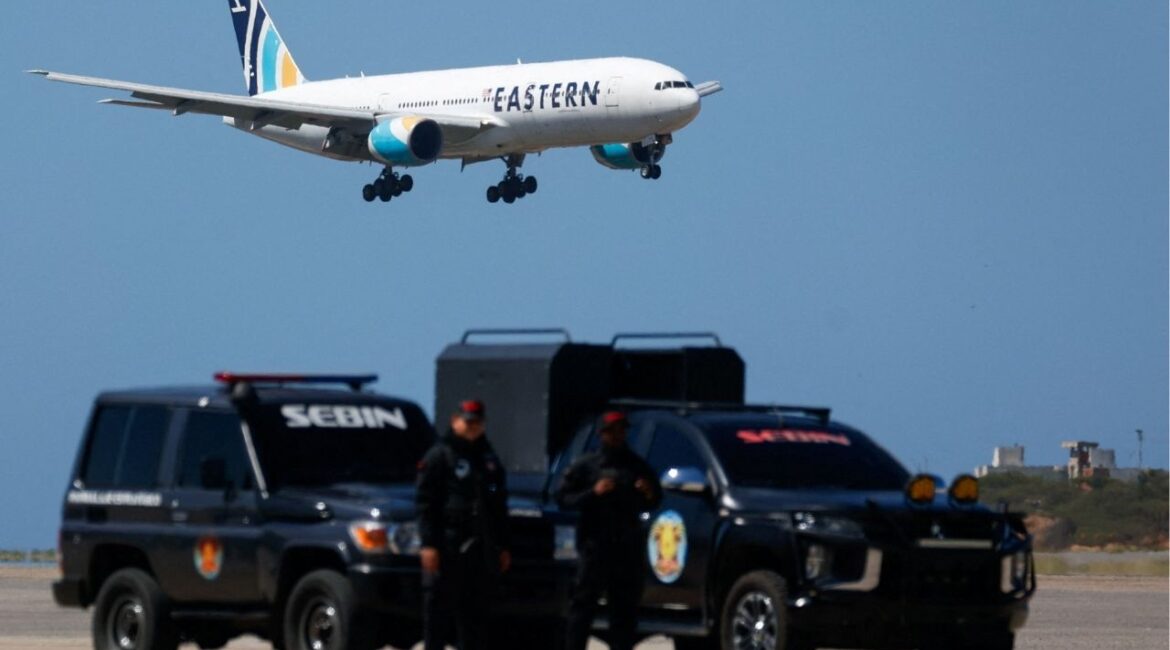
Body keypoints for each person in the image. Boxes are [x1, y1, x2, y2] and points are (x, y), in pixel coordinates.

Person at [556, 410, 662, 650]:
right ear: (602, 434)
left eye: (622, 430)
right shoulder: (586, 465)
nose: (618, 435)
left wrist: (647, 491)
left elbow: (655, 499)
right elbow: (562, 498)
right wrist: (593, 493)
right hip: (595, 547)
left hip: (626, 549)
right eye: (613, 431)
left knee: (624, 612)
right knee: (582, 608)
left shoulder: (636, 465)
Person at [416, 399, 512, 650]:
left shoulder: (488, 457)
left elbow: (499, 505)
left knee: (475, 614)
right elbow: (426, 502)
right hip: (447, 543)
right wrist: (428, 544)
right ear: (455, 421)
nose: (472, 427)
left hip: (479, 546)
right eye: (467, 422)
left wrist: (502, 545)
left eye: (477, 422)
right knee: (438, 610)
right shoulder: (441, 454)